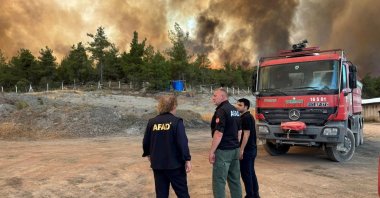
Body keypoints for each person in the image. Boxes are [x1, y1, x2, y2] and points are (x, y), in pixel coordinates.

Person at [142, 95, 192, 198]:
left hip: (158, 165)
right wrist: (187, 159)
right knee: (182, 193)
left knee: (161, 194)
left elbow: (146, 141)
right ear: (173, 106)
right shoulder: (176, 122)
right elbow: (182, 142)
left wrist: (148, 154)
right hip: (175, 165)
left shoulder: (152, 122)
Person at [209, 88, 242, 198]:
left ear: (222, 97)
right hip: (235, 150)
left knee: (219, 182)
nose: (213, 98)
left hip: (223, 152)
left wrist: (212, 152)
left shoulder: (221, 110)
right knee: (235, 180)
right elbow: (239, 132)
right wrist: (236, 146)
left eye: (215, 96)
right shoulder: (235, 110)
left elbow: (218, 133)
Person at [236, 98, 260, 198]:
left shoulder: (246, 118)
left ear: (246, 107)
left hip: (247, 150)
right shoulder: (248, 116)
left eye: (240, 105)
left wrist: (241, 150)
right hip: (251, 149)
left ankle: (250, 195)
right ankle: (255, 194)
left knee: (246, 174)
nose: (237, 106)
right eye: (237, 104)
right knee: (250, 172)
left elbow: (246, 135)